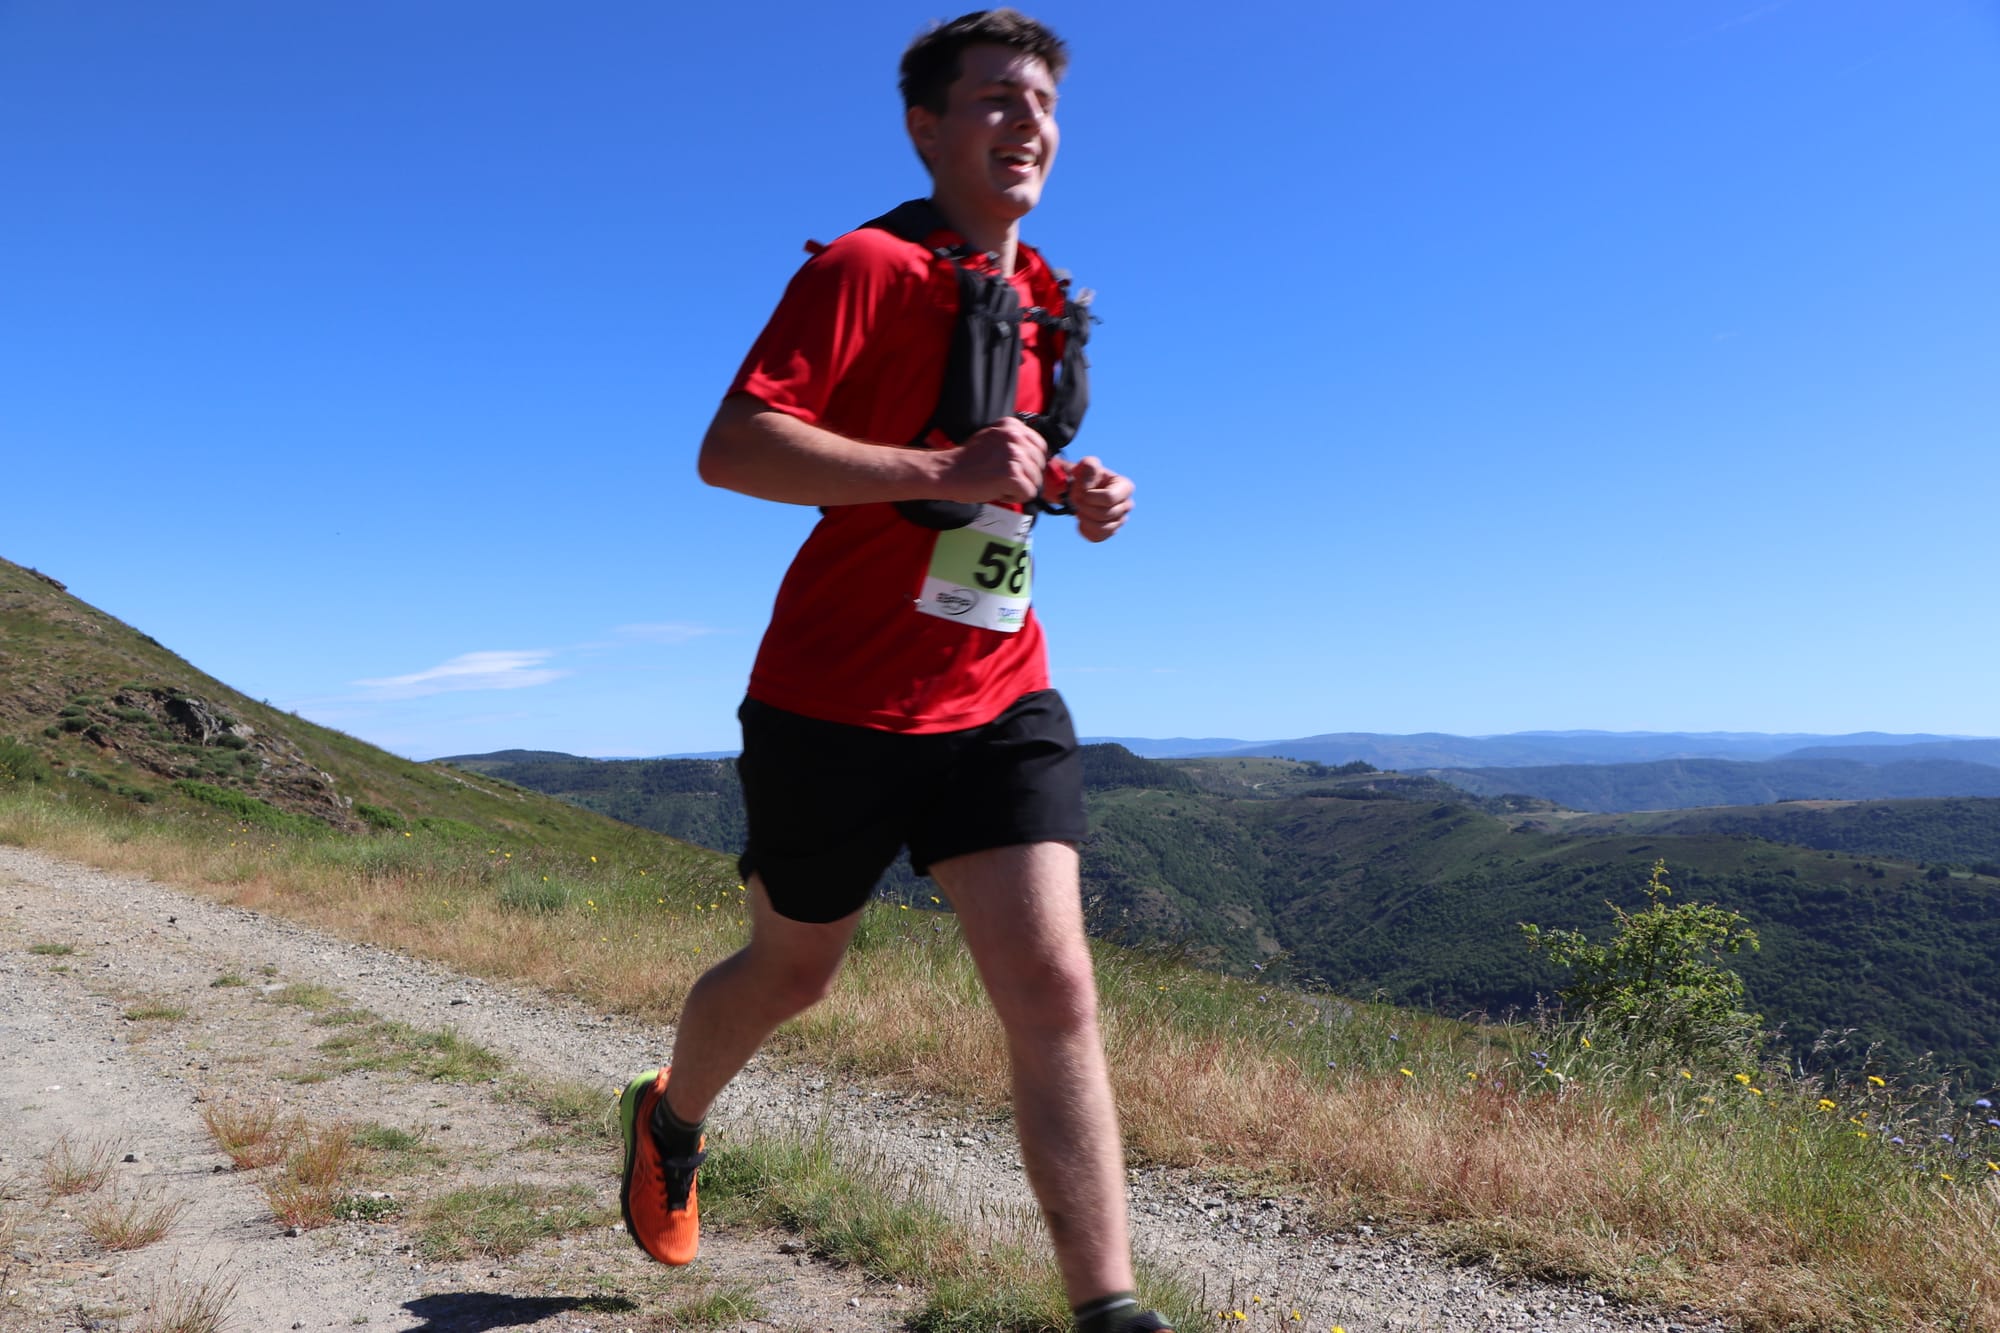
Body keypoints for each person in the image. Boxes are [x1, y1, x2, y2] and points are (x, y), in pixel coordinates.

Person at [619, 11, 1161, 1333]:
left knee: (1052, 984)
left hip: (998, 689)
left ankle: (1111, 1308)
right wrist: (945, 473)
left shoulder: (1043, 302)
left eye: (1039, 102)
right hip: (833, 697)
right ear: (926, 127)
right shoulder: (868, 265)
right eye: (991, 101)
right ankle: (669, 1115)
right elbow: (735, 445)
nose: (1023, 124)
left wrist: (1079, 492)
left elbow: (995, 485)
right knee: (793, 970)